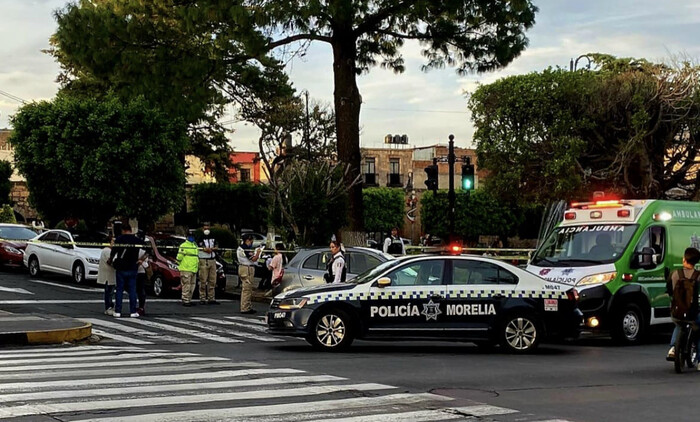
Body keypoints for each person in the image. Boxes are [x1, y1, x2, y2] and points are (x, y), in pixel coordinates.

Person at [666, 247, 700, 364]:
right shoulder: (698, 276)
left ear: (684, 260)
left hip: (677, 312)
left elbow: (669, 290)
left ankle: (673, 348)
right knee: (698, 330)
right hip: (694, 313)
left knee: (679, 324)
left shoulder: (675, 274)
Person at [108, 224, 143, 318]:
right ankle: (133, 311)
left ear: (123, 230)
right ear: (131, 230)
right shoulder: (136, 240)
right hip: (133, 267)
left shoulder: (119, 239)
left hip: (121, 267)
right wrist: (141, 259)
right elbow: (148, 249)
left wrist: (110, 260)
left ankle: (118, 311)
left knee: (119, 289)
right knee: (132, 290)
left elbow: (113, 251)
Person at [237, 234, 260, 314]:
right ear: (247, 240)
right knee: (246, 289)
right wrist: (258, 253)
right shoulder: (244, 248)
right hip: (246, 269)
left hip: (245, 268)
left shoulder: (242, 248)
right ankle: (245, 308)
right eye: (251, 240)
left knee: (248, 288)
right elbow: (253, 259)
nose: (252, 242)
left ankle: (248, 306)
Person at [198, 224, 219, 305]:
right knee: (203, 279)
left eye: (208, 228)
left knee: (212, 280)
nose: (207, 230)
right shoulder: (200, 237)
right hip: (204, 260)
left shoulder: (213, 237)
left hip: (212, 260)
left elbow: (216, 246)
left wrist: (212, 249)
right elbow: (201, 247)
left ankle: (211, 298)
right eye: (205, 228)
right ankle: (202, 298)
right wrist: (206, 249)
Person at [176, 233, 199, 307]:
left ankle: (189, 299)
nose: (191, 238)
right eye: (190, 237)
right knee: (186, 285)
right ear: (187, 237)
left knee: (192, 285)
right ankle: (185, 299)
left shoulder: (195, 245)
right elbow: (179, 257)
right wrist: (179, 264)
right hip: (186, 268)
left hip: (193, 268)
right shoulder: (183, 245)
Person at [99, 236, 116, 316]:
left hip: (109, 274)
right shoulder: (107, 251)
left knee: (109, 291)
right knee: (109, 292)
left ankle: (109, 306)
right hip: (108, 275)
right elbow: (110, 262)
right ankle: (108, 307)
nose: (114, 243)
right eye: (113, 241)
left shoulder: (107, 250)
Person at [135, 248, 149, 316]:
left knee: (136, 290)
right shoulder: (144, 252)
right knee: (141, 290)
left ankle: (138, 307)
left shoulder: (134, 250)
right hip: (142, 271)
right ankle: (141, 307)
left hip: (137, 271)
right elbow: (146, 262)